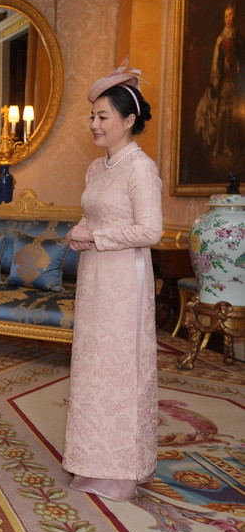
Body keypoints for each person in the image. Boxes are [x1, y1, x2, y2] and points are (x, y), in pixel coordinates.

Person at [62, 61, 163, 502]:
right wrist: (79, 230)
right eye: (92, 116)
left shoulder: (140, 169)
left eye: (103, 117)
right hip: (95, 276)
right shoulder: (95, 168)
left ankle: (123, 468)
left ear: (128, 120)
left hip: (125, 278)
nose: (94, 124)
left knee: (120, 370)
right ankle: (92, 461)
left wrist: (96, 237)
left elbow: (151, 231)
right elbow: (96, 213)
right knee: (94, 367)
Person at [194, 1, 244, 157]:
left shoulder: (237, 38)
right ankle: (217, 146)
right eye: (226, 16)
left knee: (231, 116)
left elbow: (241, 59)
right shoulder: (220, 40)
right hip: (223, 83)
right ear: (223, 19)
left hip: (234, 83)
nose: (228, 18)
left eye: (230, 15)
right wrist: (215, 79)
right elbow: (216, 62)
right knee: (221, 115)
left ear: (234, 17)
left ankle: (227, 145)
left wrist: (239, 70)